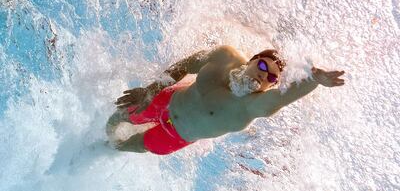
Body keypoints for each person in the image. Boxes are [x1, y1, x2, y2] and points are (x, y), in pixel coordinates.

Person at [106, 45, 345, 155]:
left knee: (134, 145)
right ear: (252, 59)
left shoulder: (253, 106)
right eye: (263, 65)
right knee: (119, 117)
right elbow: (184, 66)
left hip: (174, 138)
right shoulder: (224, 57)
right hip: (166, 101)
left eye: (271, 77)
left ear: (269, 86)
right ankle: (103, 133)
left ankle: (108, 149)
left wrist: (314, 81)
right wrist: (150, 91)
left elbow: (285, 96)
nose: (264, 74)